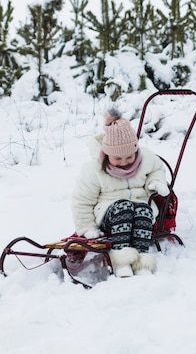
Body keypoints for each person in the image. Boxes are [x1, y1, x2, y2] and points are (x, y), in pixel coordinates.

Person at [71, 108, 168, 277]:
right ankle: (121, 261)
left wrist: (155, 182)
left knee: (144, 209)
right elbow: (82, 200)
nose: (124, 163)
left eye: (129, 157)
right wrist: (87, 227)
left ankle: (141, 261)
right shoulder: (94, 169)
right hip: (109, 214)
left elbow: (157, 169)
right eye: (117, 159)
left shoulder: (146, 158)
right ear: (107, 154)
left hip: (139, 210)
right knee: (123, 207)